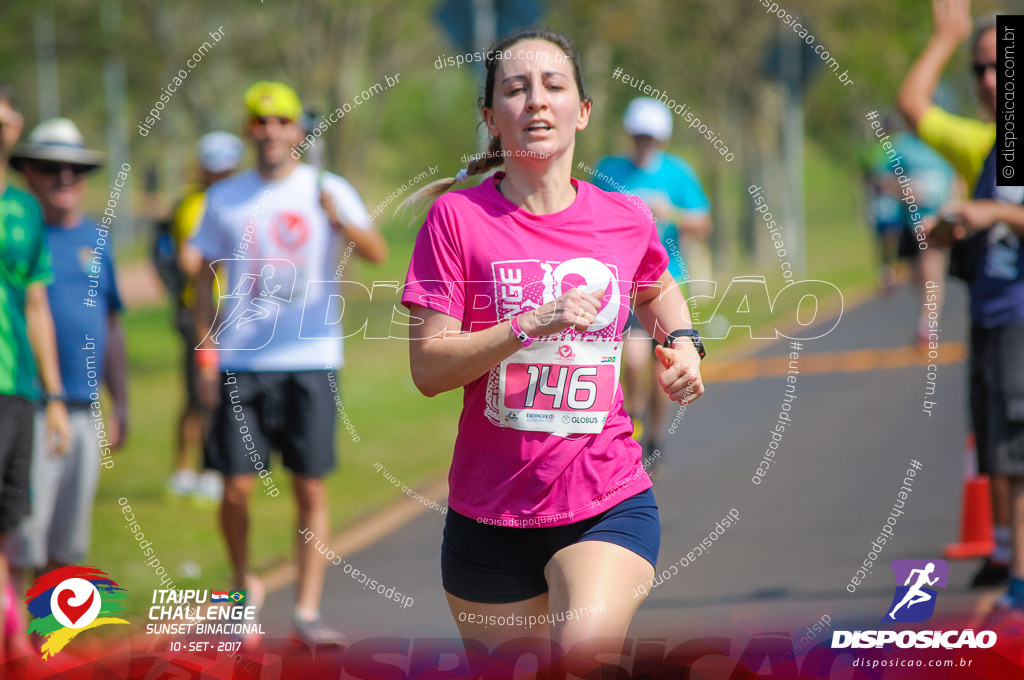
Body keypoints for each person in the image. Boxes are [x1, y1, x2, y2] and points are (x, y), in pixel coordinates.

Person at [400, 30, 705, 676]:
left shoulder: (624, 218)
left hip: (606, 498)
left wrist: (682, 342)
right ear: (491, 117)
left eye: (553, 86)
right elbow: (428, 369)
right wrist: (529, 323)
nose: (535, 101)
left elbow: (657, 285)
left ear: (583, 112)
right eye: (515, 89)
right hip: (488, 516)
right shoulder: (456, 221)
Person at [191, 81, 387, 646]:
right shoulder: (225, 197)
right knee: (234, 489)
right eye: (261, 122)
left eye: (282, 122)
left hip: (311, 357)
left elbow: (376, 254)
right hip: (240, 361)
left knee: (311, 488)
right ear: (250, 128)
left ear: (299, 132)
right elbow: (203, 279)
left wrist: (339, 220)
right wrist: (206, 352)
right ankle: (240, 585)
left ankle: (305, 611)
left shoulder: (328, 187)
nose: (271, 132)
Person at [898, 0, 1007, 588]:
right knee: (997, 439)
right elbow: (913, 106)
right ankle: (1007, 552)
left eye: (1000, 67)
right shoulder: (985, 145)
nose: (990, 81)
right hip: (995, 313)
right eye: (979, 69)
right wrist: (946, 38)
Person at [6, 118, 128, 637]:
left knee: (67, 546)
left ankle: (51, 646)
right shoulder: (17, 235)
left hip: (85, 409)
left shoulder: (95, 241)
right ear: (27, 173)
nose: (63, 178)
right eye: (50, 168)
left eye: (74, 169)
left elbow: (112, 324)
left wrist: (120, 403)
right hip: (29, 407)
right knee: (19, 541)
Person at [593, 97, 712, 467]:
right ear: (631, 135)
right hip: (624, 283)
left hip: (666, 280)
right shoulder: (609, 170)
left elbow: (703, 223)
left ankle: (657, 436)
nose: (644, 143)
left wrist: (671, 212)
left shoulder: (677, 173)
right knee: (631, 360)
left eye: (651, 137)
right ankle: (636, 419)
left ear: (662, 139)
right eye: (639, 136)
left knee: (666, 367)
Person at [0, 86, 69, 661]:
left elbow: (36, 305)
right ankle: (16, 634)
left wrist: (52, 396)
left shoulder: (24, 209)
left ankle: (16, 629)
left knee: (9, 515)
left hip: (18, 384)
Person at [162, 131, 243, 504]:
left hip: (239, 311)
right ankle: (183, 469)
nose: (221, 175)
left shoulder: (243, 199)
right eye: (215, 168)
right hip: (202, 311)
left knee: (226, 395)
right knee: (198, 392)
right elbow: (188, 259)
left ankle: (213, 470)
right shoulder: (193, 204)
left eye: (227, 168)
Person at [860, 114, 955, 343]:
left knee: (932, 266)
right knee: (918, 275)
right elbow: (880, 180)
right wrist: (906, 190)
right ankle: (925, 314)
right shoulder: (902, 147)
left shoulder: (946, 145)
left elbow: (955, 178)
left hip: (937, 219)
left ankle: (927, 325)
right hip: (910, 222)